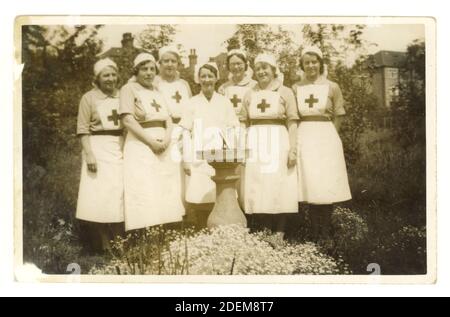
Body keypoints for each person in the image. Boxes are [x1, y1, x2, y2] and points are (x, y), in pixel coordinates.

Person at [119, 52, 185, 231]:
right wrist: (151, 142)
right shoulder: (128, 89)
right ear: (136, 71)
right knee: (143, 185)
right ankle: (144, 233)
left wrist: (166, 139)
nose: (148, 73)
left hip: (163, 143)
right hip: (140, 143)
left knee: (165, 186)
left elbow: (168, 119)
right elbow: (127, 120)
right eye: (144, 69)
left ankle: (164, 231)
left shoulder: (158, 91)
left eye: (151, 69)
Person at [292, 46, 352, 241]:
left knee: (324, 183)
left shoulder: (332, 86)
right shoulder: (296, 88)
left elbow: (339, 114)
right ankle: (313, 230)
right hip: (304, 136)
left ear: (320, 63)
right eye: (306, 62)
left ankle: (325, 232)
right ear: (302, 65)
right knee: (310, 181)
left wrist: (330, 135)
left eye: (314, 61)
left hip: (325, 136)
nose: (310, 65)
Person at [239, 53, 299, 241]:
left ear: (274, 70)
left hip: (278, 141)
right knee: (259, 185)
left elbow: (292, 122)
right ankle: (264, 229)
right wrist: (242, 145)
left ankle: (279, 232)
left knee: (279, 185)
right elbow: (243, 121)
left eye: (266, 67)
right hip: (255, 142)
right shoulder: (250, 93)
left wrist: (293, 148)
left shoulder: (285, 91)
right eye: (258, 68)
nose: (262, 71)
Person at [179, 61, 240, 228]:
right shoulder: (191, 103)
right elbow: (184, 130)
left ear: (216, 78)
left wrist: (231, 152)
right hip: (198, 154)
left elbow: (233, 127)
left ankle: (218, 229)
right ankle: (201, 229)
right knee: (200, 196)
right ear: (198, 79)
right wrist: (186, 158)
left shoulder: (224, 102)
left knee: (219, 194)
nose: (207, 79)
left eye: (210, 76)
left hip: (220, 156)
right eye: (203, 76)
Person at [76, 58, 125, 253]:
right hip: (97, 148)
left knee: (118, 194)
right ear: (98, 78)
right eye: (106, 75)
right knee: (99, 196)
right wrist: (89, 154)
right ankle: (102, 243)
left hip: (118, 147)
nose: (110, 79)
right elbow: (82, 129)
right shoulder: (88, 98)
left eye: (113, 74)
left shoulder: (123, 96)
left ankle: (118, 241)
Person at [218, 49, 257, 208]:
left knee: (249, 168)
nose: (236, 67)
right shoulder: (223, 88)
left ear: (246, 65)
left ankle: (250, 208)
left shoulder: (255, 86)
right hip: (229, 132)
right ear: (228, 66)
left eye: (239, 64)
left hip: (248, 128)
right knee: (233, 170)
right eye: (233, 64)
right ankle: (233, 207)